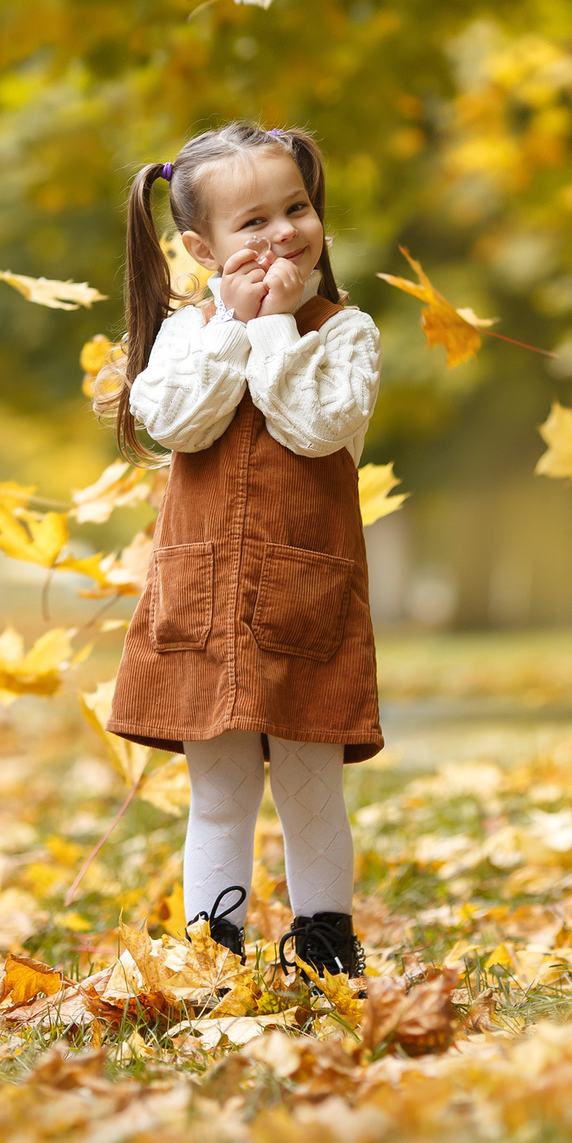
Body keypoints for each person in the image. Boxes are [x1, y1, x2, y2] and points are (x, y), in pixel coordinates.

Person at [100, 121, 384, 980]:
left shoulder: (344, 332)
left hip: (306, 596)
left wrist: (274, 332)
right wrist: (233, 326)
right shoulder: (186, 337)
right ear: (200, 246)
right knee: (218, 795)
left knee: (310, 787)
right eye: (252, 223)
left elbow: (315, 427)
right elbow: (179, 419)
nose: (281, 234)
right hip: (204, 596)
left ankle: (325, 949)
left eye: (296, 208)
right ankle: (208, 958)